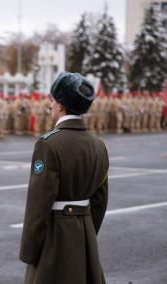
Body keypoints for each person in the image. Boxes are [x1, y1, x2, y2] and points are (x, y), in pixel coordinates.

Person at [19, 72, 109, 284]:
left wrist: (29, 250)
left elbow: (38, 203)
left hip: (55, 236)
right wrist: (86, 230)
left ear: (60, 106)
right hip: (84, 232)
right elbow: (100, 199)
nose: (50, 105)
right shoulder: (99, 145)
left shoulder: (48, 143)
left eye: (53, 100)